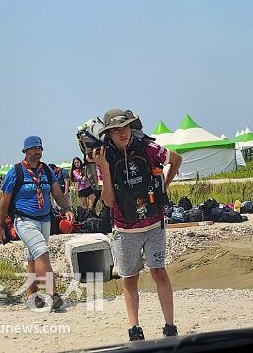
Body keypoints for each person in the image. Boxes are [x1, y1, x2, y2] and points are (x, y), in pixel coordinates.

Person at [90, 108, 182, 341]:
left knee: (159, 272)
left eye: (126, 127)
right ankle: (135, 328)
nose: (122, 133)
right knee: (129, 278)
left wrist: (164, 188)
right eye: (116, 130)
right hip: (124, 228)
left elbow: (176, 159)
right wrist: (104, 169)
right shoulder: (106, 157)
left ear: (132, 127)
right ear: (108, 134)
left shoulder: (148, 148)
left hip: (153, 224)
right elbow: (109, 201)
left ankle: (170, 326)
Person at [0, 136, 74, 311]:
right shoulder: (15, 172)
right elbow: (4, 201)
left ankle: (31, 296)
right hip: (24, 220)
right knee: (42, 253)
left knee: (32, 257)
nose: (38, 151)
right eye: (33, 149)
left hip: (44, 220)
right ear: (25, 151)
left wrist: (67, 208)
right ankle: (53, 295)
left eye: (40, 148)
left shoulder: (46, 170)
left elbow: (57, 193)